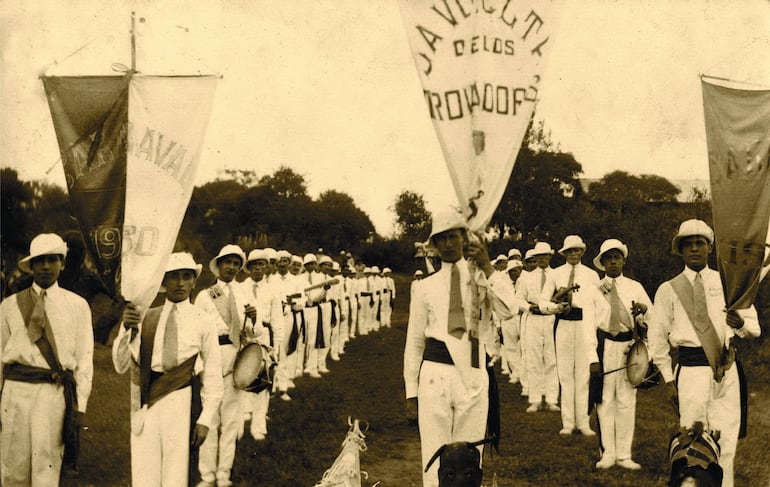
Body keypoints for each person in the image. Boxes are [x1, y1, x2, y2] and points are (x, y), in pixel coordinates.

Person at [404, 207, 516, 487]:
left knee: (469, 456)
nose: (448, 244)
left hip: (473, 372)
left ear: (464, 239)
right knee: (434, 453)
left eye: (453, 237)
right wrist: (411, 393)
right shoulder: (425, 286)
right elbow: (414, 342)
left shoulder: (481, 278)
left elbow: (509, 310)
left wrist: (488, 266)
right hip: (435, 373)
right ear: (434, 244)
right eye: (441, 239)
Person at [648, 219, 760, 487]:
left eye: (700, 243)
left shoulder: (728, 282)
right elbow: (657, 338)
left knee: (726, 440)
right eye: (688, 244)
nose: (695, 248)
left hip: (725, 371)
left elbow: (753, 328)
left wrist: (739, 324)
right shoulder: (668, 289)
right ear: (680, 250)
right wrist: (668, 379)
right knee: (693, 442)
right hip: (690, 371)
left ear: (710, 248)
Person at [113, 252, 223, 487]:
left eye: (186, 276)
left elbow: (213, 375)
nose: (180, 283)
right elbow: (120, 365)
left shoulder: (203, 320)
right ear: (163, 281)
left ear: (194, 281)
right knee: (145, 472)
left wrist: (205, 419)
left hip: (182, 400)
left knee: (176, 474)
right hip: (148, 401)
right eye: (174, 277)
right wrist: (125, 328)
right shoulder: (147, 317)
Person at [1, 233, 94, 485]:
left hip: (54, 394)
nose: (45, 266)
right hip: (15, 392)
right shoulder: (9, 306)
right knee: (12, 465)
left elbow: (85, 358)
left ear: (62, 264)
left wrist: (80, 406)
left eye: (52, 260)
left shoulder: (77, 306)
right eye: (39, 260)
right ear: (31, 265)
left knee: (47, 464)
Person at [194, 244, 264, 487]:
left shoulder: (245, 294)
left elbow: (255, 333)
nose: (232, 267)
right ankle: (207, 475)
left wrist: (254, 319)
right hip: (211, 356)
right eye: (228, 262)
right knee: (210, 417)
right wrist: (199, 366)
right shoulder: (205, 296)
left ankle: (224, 473)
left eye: (236, 264)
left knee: (231, 419)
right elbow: (195, 333)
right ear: (219, 265)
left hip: (236, 357)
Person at [540, 235, 608, 436]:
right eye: (569, 251)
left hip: (585, 325)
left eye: (576, 250)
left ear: (582, 252)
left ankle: (584, 422)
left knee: (583, 375)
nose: (573, 254)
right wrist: (556, 307)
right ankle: (568, 423)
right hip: (563, 324)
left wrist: (595, 324)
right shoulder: (556, 274)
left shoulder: (591, 275)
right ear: (564, 253)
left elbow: (601, 304)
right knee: (565, 374)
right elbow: (543, 301)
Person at [592, 239, 651, 470]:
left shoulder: (635, 287)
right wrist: (592, 357)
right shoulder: (595, 289)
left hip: (629, 346)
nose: (613, 262)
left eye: (617, 257)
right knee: (605, 399)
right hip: (605, 344)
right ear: (603, 263)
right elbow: (589, 323)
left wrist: (643, 312)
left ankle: (624, 455)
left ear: (623, 260)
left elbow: (652, 317)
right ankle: (607, 453)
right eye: (608, 258)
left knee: (626, 400)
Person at [240, 249, 282, 438]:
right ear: (248, 268)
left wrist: (276, 346)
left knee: (263, 381)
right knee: (243, 376)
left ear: (266, 267)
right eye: (254, 265)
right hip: (244, 336)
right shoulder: (241, 288)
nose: (257, 268)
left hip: (264, 336)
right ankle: (242, 416)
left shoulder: (272, 290)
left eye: (261, 265)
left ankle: (258, 426)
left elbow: (277, 320)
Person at [514, 242, 560, 412]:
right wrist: (529, 307)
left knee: (551, 359)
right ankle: (535, 399)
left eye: (544, 256)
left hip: (551, 319)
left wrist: (554, 308)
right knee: (533, 359)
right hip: (533, 318)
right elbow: (518, 299)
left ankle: (552, 399)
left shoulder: (557, 275)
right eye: (538, 256)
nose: (541, 259)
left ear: (550, 256)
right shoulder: (526, 278)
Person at [500, 259, 523, 385]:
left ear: (520, 270)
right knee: (510, 346)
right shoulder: (504, 285)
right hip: (508, 318)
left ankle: (524, 373)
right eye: (511, 271)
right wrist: (498, 323)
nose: (513, 273)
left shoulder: (525, 281)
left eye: (516, 270)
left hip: (523, 316)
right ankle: (515, 373)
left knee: (525, 346)